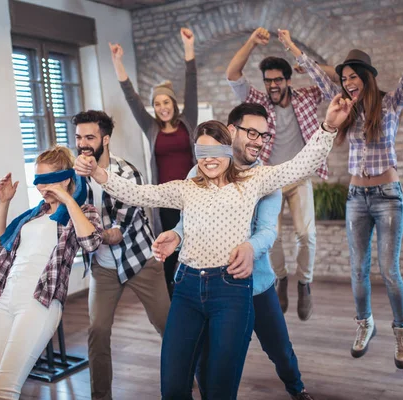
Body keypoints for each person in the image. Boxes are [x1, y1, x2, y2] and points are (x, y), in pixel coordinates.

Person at [75, 94, 353, 399]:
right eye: (202, 151)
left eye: (263, 135)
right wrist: (100, 174)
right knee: (177, 382)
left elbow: (298, 170)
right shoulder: (188, 185)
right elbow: (141, 194)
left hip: (240, 285)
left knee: (248, 367)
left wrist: (327, 127)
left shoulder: (256, 180)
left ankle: (296, 387)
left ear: (226, 147)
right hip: (189, 285)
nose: (209, 158)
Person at [278, 8, 403, 369]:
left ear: (367, 79)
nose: (347, 83)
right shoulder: (345, 107)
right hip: (356, 199)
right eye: (344, 79)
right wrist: (293, 48)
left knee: (389, 271)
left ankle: (401, 329)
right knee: (357, 269)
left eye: (353, 77)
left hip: (388, 197)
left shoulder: (390, 104)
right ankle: (364, 324)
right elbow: (315, 74)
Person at [153, 102, 314, 400]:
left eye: (263, 135)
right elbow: (188, 223)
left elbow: (267, 230)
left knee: (279, 349)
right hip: (207, 285)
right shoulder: (198, 170)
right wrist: (176, 235)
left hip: (257, 283)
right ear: (231, 131)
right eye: (251, 132)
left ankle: (297, 388)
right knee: (204, 355)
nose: (257, 141)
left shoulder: (267, 178)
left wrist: (250, 247)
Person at [0, 146, 103, 399]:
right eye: (37, 180)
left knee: (4, 390)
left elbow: (91, 243)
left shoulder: (82, 213)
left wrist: (68, 200)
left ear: (65, 179)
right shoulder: (33, 215)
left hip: (38, 302)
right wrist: (3, 202)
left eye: (47, 180)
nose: (41, 187)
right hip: (6, 298)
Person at [226, 27, 336, 320]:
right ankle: (281, 279)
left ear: (288, 80)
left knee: (306, 234)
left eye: (278, 79)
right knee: (270, 237)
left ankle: (305, 283)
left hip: (299, 177)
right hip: (268, 180)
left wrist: (303, 61)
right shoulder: (259, 103)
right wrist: (251, 41)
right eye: (268, 80)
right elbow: (233, 73)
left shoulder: (306, 96)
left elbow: (336, 78)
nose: (272, 85)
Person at [72, 110, 171, 400]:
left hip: (140, 260)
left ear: (105, 139)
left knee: (167, 326)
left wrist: (85, 232)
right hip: (102, 267)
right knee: (98, 331)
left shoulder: (128, 174)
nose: (83, 144)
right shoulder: (74, 179)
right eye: (79, 137)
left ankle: (192, 378)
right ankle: (100, 397)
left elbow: (116, 234)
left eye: (89, 137)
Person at [110, 27, 198, 297]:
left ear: (173, 102)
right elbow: (131, 98)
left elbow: (191, 81)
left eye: (166, 101)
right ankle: (177, 303)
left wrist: (189, 46)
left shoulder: (189, 121)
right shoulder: (151, 127)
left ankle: (199, 297)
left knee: (195, 248)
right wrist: (117, 62)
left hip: (192, 195)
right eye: (157, 103)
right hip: (164, 199)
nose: (162, 107)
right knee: (170, 253)